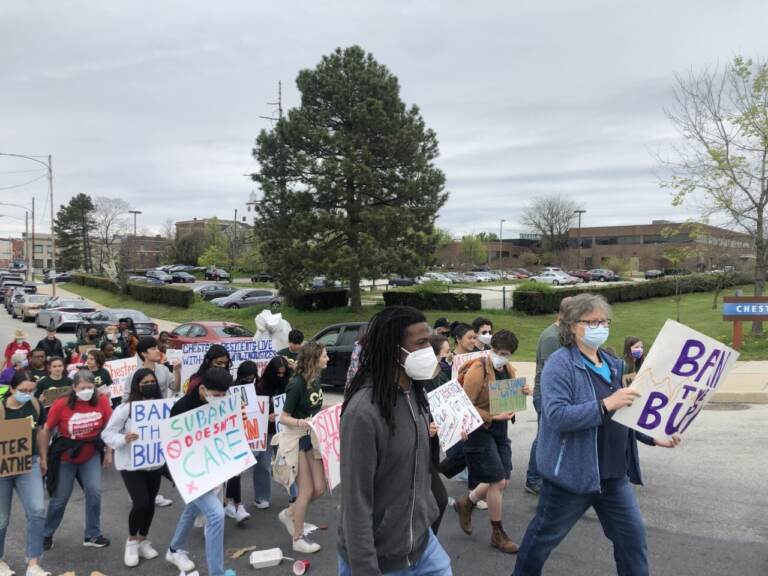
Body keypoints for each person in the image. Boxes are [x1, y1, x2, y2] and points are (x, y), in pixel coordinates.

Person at [512, 294, 681, 576]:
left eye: (604, 321)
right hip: (572, 477)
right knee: (541, 542)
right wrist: (605, 404)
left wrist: (653, 436)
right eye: (592, 321)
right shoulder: (560, 363)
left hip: (614, 476)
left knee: (633, 542)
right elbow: (556, 416)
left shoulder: (612, 362)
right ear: (573, 325)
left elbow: (624, 412)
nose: (599, 326)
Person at [338, 305, 452, 575]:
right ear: (393, 350)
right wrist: (366, 569)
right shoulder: (363, 413)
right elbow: (356, 501)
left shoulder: (414, 392)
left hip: (422, 546)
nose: (429, 350)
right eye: (421, 343)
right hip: (380, 558)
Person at [453, 329, 523, 554]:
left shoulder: (508, 368)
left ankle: (467, 501)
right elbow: (464, 403)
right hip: (479, 430)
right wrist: (491, 417)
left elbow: (508, 395)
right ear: (491, 348)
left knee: (502, 482)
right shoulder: (478, 368)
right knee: (496, 481)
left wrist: (521, 393)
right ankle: (497, 533)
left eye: (507, 353)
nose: (502, 356)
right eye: (498, 351)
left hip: (499, 430)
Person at [165, 367, 234, 576]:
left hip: (212, 467)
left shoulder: (222, 403)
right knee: (215, 514)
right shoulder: (182, 408)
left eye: (224, 395)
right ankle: (217, 573)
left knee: (192, 509)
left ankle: (174, 549)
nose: (221, 399)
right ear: (203, 389)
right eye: (217, 395)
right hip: (188, 472)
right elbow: (173, 446)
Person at [41, 369, 113, 551]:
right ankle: (45, 534)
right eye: (83, 388)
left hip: (90, 453)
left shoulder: (102, 401)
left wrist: (109, 452)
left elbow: (110, 428)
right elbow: (47, 429)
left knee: (94, 493)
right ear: (74, 387)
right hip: (65, 456)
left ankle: (92, 534)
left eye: (90, 387)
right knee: (59, 499)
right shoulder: (61, 404)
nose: (87, 391)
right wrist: (43, 457)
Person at [102, 368, 165, 567]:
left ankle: (143, 540)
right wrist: (123, 438)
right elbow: (107, 434)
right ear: (137, 385)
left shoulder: (163, 406)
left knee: (151, 503)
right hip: (131, 464)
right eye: (144, 382)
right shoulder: (126, 409)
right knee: (141, 503)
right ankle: (131, 541)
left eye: (152, 381)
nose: (149, 385)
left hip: (154, 462)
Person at [275, 342, 327, 554]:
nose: (328, 359)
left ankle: (290, 514)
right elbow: (283, 417)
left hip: (310, 438)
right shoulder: (296, 384)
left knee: (320, 489)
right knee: (305, 491)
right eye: (325, 356)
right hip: (297, 440)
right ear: (314, 359)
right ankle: (297, 538)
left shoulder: (315, 380)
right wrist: (301, 422)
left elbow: (316, 406)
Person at [0, 371, 51, 576]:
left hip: (29, 463)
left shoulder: (35, 406)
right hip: (3, 468)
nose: (27, 394)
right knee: (1, 519)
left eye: (31, 390)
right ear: (12, 389)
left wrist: (44, 458)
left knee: (37, 511)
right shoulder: (1, 408)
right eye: (23, 390)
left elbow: (40, 431)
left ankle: (33, 563)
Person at [525, 297, 571, 496]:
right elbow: (550, 374)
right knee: (544, 437)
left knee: (554, 437)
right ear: (567, 315)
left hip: (555, 396)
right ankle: (533, 478)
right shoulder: (552, 337)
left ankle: (551, 475)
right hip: (546, 396)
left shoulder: (563, 334)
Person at [253, 356, 291, 509]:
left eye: (283, 373)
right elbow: (253, 411)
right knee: (263, 464)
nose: (280, 377)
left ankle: (294, 495)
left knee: (288, 462)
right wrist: (265, 417)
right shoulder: (260, 387)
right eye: (278, 373)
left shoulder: (288, 384)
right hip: (266, 431)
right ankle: (261, 497)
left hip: (283, 429)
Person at [222, 362, 257, 524]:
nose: (250, 381)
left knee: (236, 472)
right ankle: (236, 505)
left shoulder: (254, 390)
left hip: (242, 434)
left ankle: (232, 503)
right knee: (233, 472)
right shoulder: (229, 389)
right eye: (247, 378)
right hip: (227, 434)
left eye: (253, 378)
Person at [122, 337, 180, 402]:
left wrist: (177, 370)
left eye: (157, 348)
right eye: (153, 349)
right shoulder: (133, 374)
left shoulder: (164, 369)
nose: (158, 351)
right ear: (144, 353)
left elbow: (176, 388)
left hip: (161, 409)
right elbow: (125, 400)